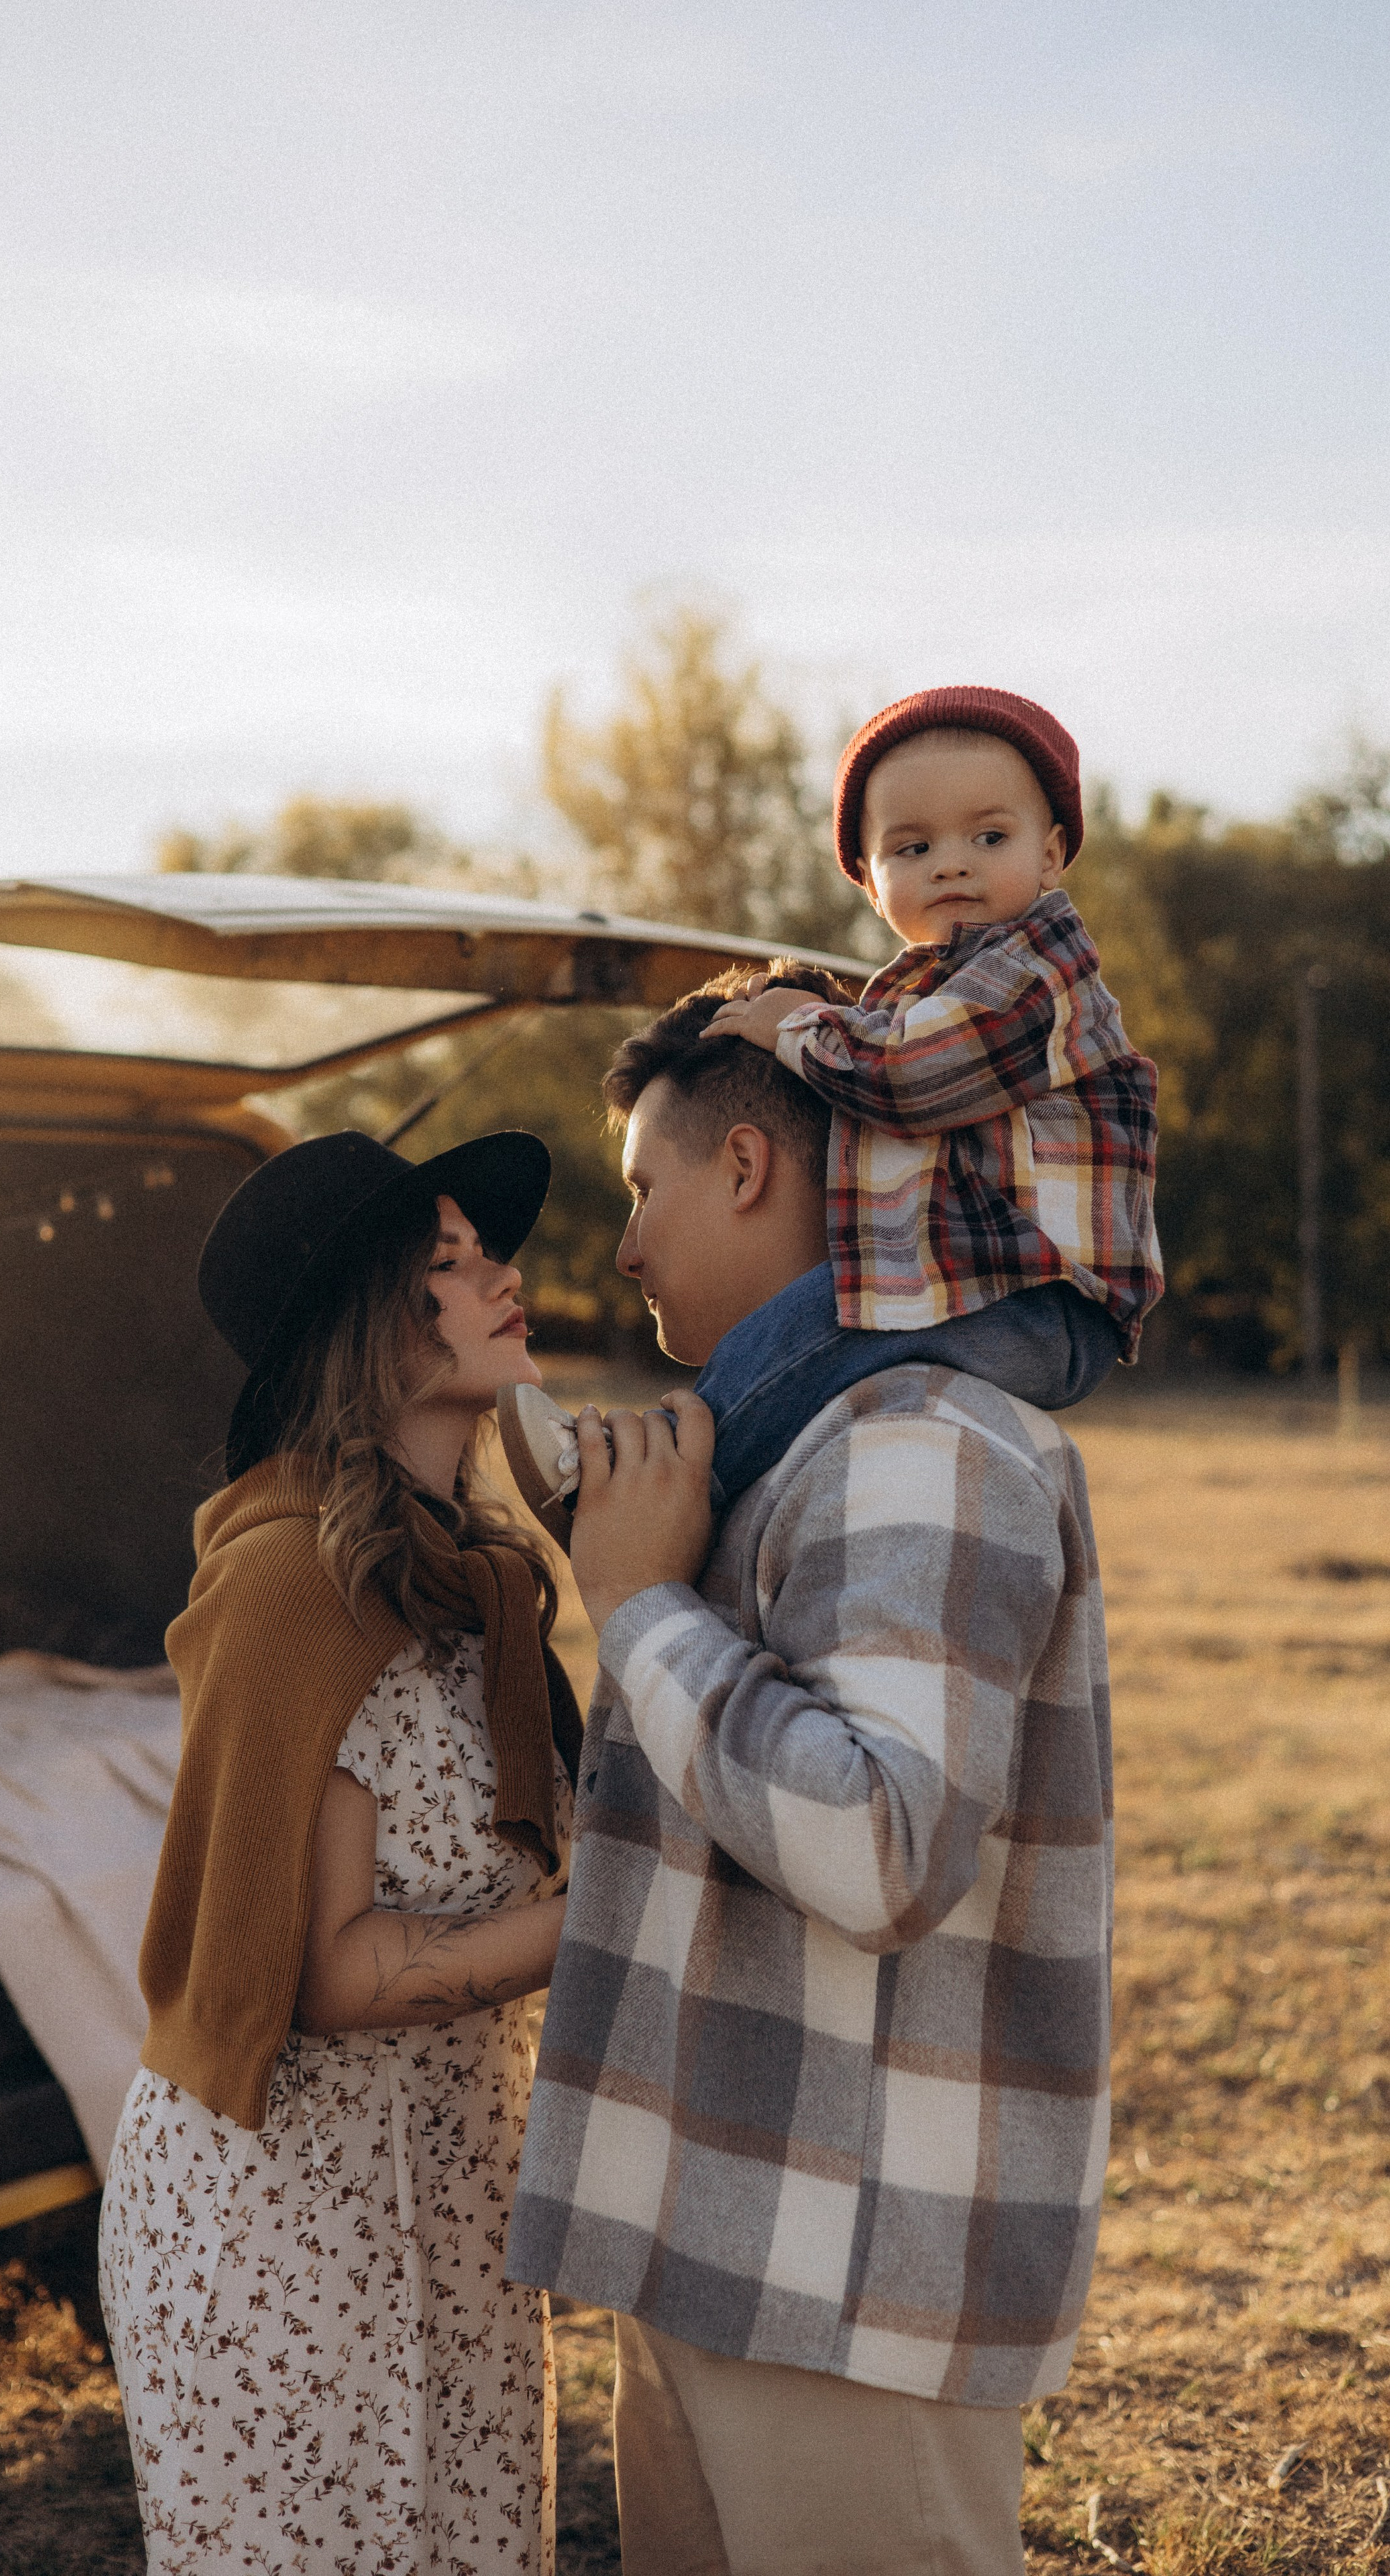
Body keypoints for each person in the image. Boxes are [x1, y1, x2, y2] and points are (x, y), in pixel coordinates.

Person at [506, 987, 1114, 2576]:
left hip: (850, 2275)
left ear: (752, 1164)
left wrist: (636, 1606)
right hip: (721, 2235)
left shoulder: (920, 1440)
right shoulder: (776, 1448)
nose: (625, 1244)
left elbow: (881, 1844)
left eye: (644, 1187)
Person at [100, 1128, 580, 2576]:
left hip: (444, 2192)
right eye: (446, 1264)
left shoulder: (472, 1576)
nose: (502, 1274)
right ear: (365, 1328)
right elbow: (333, 1970)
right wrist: (628, 1905)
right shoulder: (293, 1581)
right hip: (279, 2231)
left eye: (483, 1250)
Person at [690, 684, 1161, 1503]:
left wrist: (796, 1028)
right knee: (802, 1343)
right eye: (910, 849)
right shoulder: (912, 1001)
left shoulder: (1038, 970)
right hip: (976, 1285)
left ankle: (661, 1483)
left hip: (1039, 1302)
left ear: (1050, 855)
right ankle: (716, 1493)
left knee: (796, 1343)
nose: (950, 862)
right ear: (870, 886)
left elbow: (912, 1080)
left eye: (988, 834)